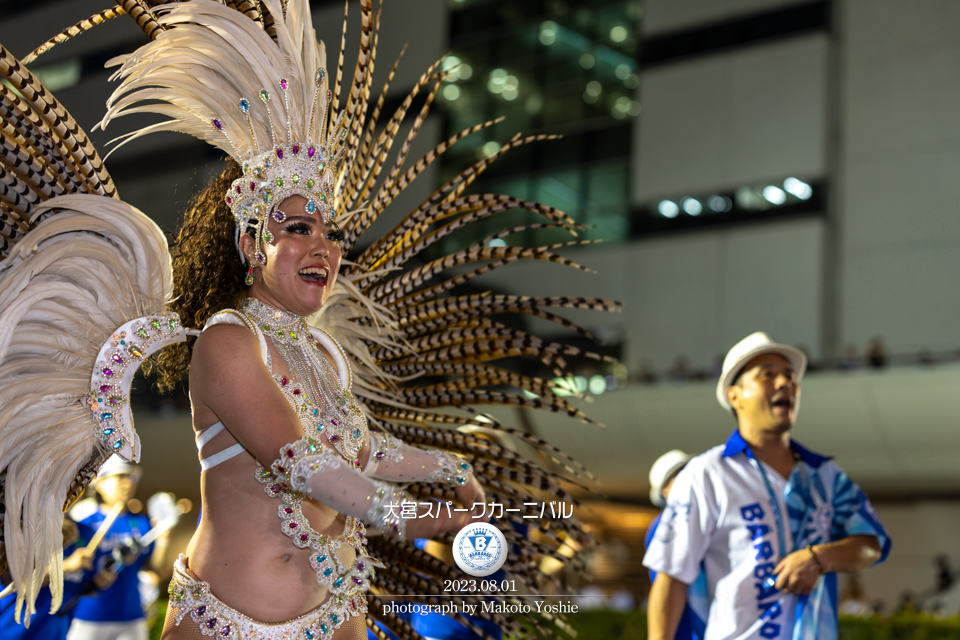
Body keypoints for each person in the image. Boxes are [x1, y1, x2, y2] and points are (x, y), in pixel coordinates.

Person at [0, 1, 611, 638]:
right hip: (231, 624)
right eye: (296, 228)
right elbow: (302, 464)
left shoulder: (324, 354)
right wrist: (424, 520)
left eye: (331, 232)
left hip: (337, 613)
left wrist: (446, 468)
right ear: (249, 244)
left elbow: (359, 448)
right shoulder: (228, 341)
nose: (323, 245)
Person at [644, 332, 891, 640]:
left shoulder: (826, 476)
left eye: (789, 376)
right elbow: (670, 579)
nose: (784, 383)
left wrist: (819, 558)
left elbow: (872, 544)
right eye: (768, 375)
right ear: (735, 396)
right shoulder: (707, 473)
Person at [67, 456, 168, 640]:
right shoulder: (84, 523)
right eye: (119, 476)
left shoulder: (140, 524)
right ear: (99, 484)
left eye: (130, 477)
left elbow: (153, 569)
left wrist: (162, 540)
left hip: (131, 617)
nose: (127, 483)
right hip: (89, 616)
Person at [0, 517, 115, 640]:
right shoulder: (20, 526)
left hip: (54, 629)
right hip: (13, 625)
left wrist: (100, 581)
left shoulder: (86, 533)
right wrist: (64, 567)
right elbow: (14, 582)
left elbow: (84, 586)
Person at [645, 450, 706, 640]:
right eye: (675, 477)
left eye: (687, 472)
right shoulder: (662, 526)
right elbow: (667, 587)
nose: (683, 479)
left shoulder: (707, 517)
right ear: (663, 491)